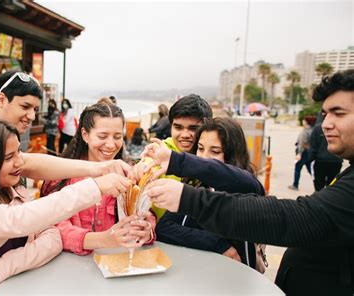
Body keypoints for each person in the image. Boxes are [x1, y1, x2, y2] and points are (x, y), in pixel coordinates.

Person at [144, 69, 354, 295]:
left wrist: (186, 196)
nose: (325, 124)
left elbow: (297, 217)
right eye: (325, 114)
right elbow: (166, 226)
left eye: (338, 113)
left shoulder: (240, 184)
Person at [0, 71, 134, 240]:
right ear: (1, 100)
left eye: (35, 108)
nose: (31, 116)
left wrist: (100, 168)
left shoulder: (10, 151)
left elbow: (30, 163)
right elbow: (16, 219)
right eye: (25, 106)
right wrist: (97, 181)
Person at [0, 116, 130, 294]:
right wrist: (94, 187)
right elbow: (15, 221)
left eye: (19, 153)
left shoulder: (10, 192)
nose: (20, 163)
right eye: (9, 158)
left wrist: (0, 269)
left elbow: (52, 237)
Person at [152, 117, 266, 272]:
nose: (204, 157)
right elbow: (164, 227)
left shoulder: (245, 190)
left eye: (215, 151)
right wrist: (217, 243)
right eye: (200, 148)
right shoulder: (196, 185)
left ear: (233, 154)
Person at [41, 103, 155, 255]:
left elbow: (144, 214)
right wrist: (103, 239)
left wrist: (146, 231)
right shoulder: (62, 176)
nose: (110, 144)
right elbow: (53, 226)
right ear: (85, 134)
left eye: (117, 137)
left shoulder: (129, 175)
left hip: (115, 264)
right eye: (102, 136)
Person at [152, 94, 212, 219]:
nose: (185, 134)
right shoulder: (158, 155)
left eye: (193, 128)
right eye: (178, 127)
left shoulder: (213, 158)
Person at [309, 113, 343, 191]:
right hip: (336, 161)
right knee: (332, 185)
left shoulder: (318, 128)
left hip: (320, 161)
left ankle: (319, 199)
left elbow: (313, 145)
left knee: (318, 185)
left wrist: (310, 159)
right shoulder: (339, 127)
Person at [288, 115, 316, 190]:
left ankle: (295, 184)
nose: (303, 121)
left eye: (304, 120)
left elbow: (302, 143)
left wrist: (299, 154)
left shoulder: (305, 131)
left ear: (307, 122)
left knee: (298, 168)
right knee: (311, 170)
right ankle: (318, 183)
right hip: (310, 152)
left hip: (303, 152)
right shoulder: (313, 130)